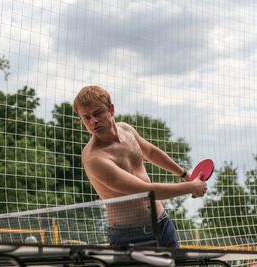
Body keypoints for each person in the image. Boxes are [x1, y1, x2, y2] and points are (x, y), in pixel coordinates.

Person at [73, 85, 207, 248]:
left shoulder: (126, 129)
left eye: (97, 113)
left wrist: (184, 174)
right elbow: (146, 192)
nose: (93, 121)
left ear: (111, 109)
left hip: (162, 224)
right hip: (130, 237)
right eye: (86, 117)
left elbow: (150, 152)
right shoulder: (95, 159)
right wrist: (191, 187)